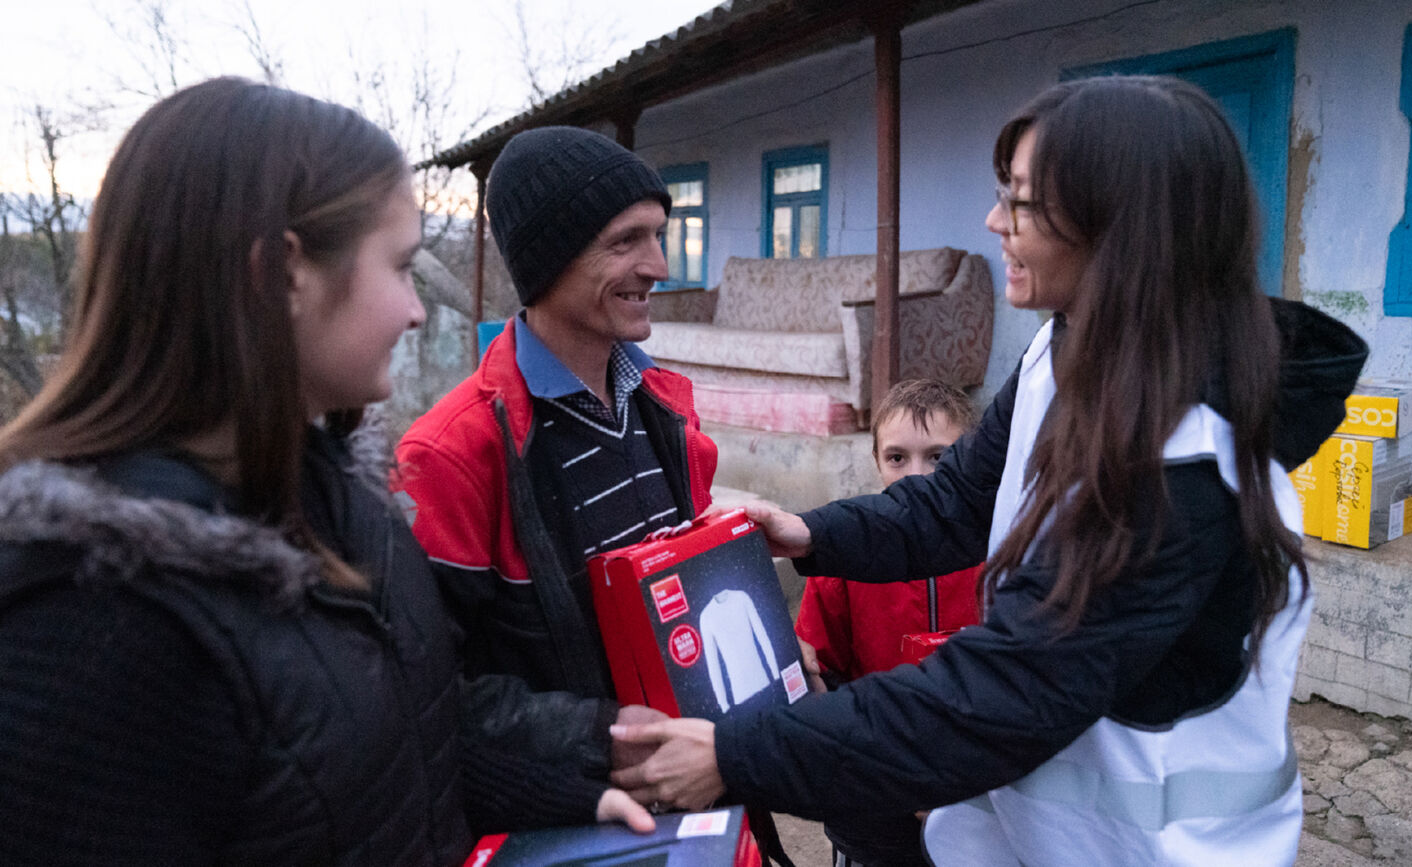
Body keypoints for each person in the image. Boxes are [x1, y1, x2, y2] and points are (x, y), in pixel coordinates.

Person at [609, 75, 1370, 866]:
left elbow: (1001, 693)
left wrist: (734, 754)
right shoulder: (1062, 349)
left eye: (1024, 202)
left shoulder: (1184, 466)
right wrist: (811, 534)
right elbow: (958, 502)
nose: (993, 221)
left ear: (1122, 228)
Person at [0, 78, 652, 867]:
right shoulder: (89, 622)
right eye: (403, 267)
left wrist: (566, 801)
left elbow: (392, 750)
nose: (417, 311)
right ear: (281, 274)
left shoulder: (350, 508)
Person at [394, 125, 719, 790]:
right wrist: (601, 737)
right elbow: (421, 694)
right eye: (625, 241)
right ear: (548, 261)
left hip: (691, 789)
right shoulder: (450, 455)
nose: (659, 266)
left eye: (658, 234)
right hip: (567, 815)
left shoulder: (668, 408)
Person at [794, 378, 983, 866]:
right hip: (874, 790)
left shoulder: (1000, 552)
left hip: (982, 787)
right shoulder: (840, 563)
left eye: (939, 457)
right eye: (897, 458)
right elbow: (824, 679)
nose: (916, 476)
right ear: (876, 460)